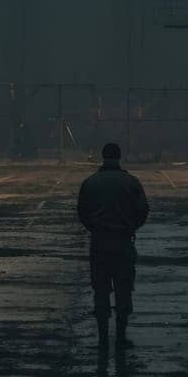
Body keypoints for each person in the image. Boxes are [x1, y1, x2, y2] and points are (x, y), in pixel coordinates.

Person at [76, 142, 149, 348]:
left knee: (101, 290)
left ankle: (102, 338)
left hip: (100, 242)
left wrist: (94, 228)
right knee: (123, 289)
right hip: (123, 241)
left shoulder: (90, 182)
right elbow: (143, 210)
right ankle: (120, 336)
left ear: (102, 156)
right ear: (119, 157)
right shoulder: (131, 182)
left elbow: (82, 212)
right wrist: (131, 226)